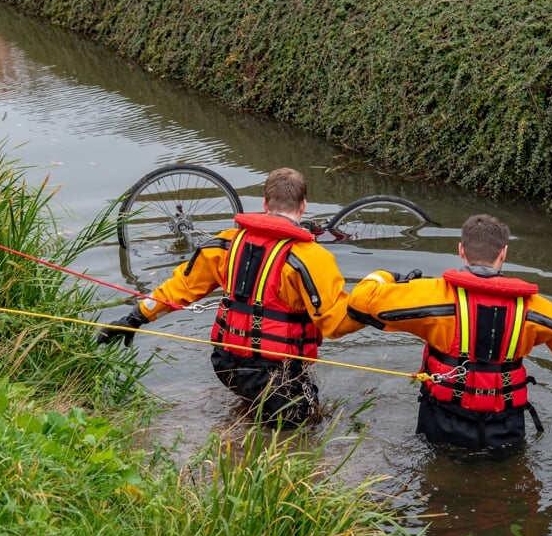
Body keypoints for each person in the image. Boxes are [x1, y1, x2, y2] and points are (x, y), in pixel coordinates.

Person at [95, 168, 364, 427]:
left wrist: (135, 317)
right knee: (308, 426)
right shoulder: (312, 258)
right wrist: (377, 299)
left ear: (265, 203)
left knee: (255, 410)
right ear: (303, 206)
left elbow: (180, 287)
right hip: (276, 374)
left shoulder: (225, 243)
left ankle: (237, 440)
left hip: (225, 365)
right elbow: (335, 324)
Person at [346, 213, 552, 451]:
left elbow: (359, 303)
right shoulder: (537, 310)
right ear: (503, 253)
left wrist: (387, 276)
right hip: (505, 426)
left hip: (442, 422)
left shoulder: (430, 296)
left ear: (461, 250)